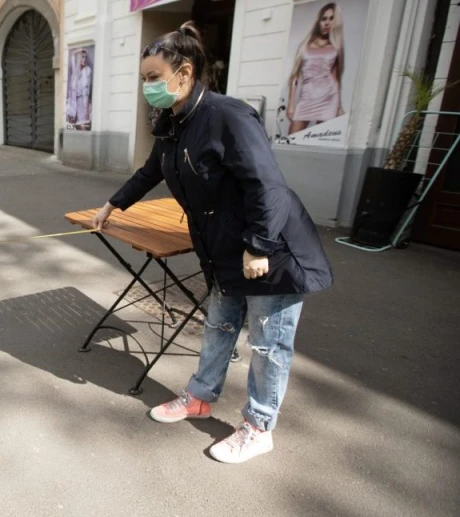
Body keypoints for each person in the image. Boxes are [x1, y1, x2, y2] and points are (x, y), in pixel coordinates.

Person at [90, 21, 333, 464]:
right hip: (223, 249)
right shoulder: (173, 121)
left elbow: (267, 186)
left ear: (183, 74)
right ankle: (200, 396)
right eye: (143, 79)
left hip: (272, 250)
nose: (146, 87)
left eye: (152, 78)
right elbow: (152, 171)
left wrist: (259, 245)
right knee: (219, 327)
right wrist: (113, 204)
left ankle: (259, 427)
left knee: (267, 344)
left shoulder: (229, 116)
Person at [287, 3, 345, 134]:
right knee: (291, 139)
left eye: (331, 19)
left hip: (329, 97)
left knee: (321, 138)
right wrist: (291, 105)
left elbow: (336, 78)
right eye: (324, 19)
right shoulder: (305, 45)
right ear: (319, 21)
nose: (327, 23)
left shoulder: (336, 48)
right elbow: (294, 77)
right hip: (307, 97)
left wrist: (339, 106)